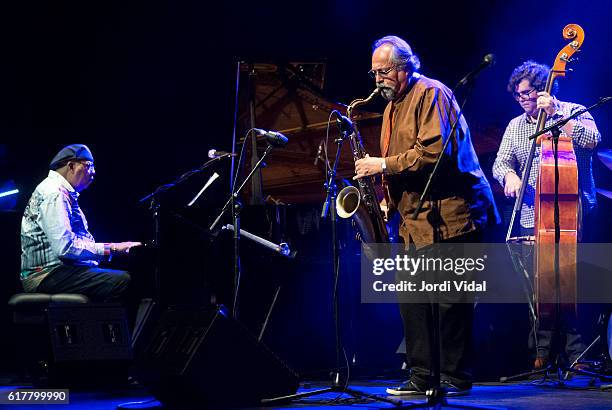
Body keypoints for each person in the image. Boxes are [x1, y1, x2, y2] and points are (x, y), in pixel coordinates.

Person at [354, 35, 498, 396]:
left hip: (452, 213)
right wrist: (388, 197)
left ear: (405, 67)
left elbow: (434, 153)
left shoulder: (431, 93)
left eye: (383, 72)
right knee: (414, 301)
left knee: (450, 304)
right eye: (374, 73)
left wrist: (382, 164)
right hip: (415, 218)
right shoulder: (390, 108)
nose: (377, 80)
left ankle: (452, 377)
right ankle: (422, 377)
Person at [492, 60, 602, 371]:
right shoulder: (516, 126)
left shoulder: (574, 109)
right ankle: (542, 350)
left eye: (526, 94)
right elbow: (500, 163)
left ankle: (577, 351)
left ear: (544, 89)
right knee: (541, 283)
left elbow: (592, 141)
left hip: (574, 213)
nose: (521, 100)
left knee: (571, 282)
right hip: (532, 213)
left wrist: (557, 114)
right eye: (517, 95)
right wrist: (509, 176)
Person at [20, 144, 141, 301]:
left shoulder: (59, 192)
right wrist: (113, 248)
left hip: (59, 272)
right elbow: (65, 247)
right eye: (89, 166)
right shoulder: (55, 193)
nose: (94, 172)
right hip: (46, 275)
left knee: (118, 275)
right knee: (123, 281)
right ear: (71, 166)